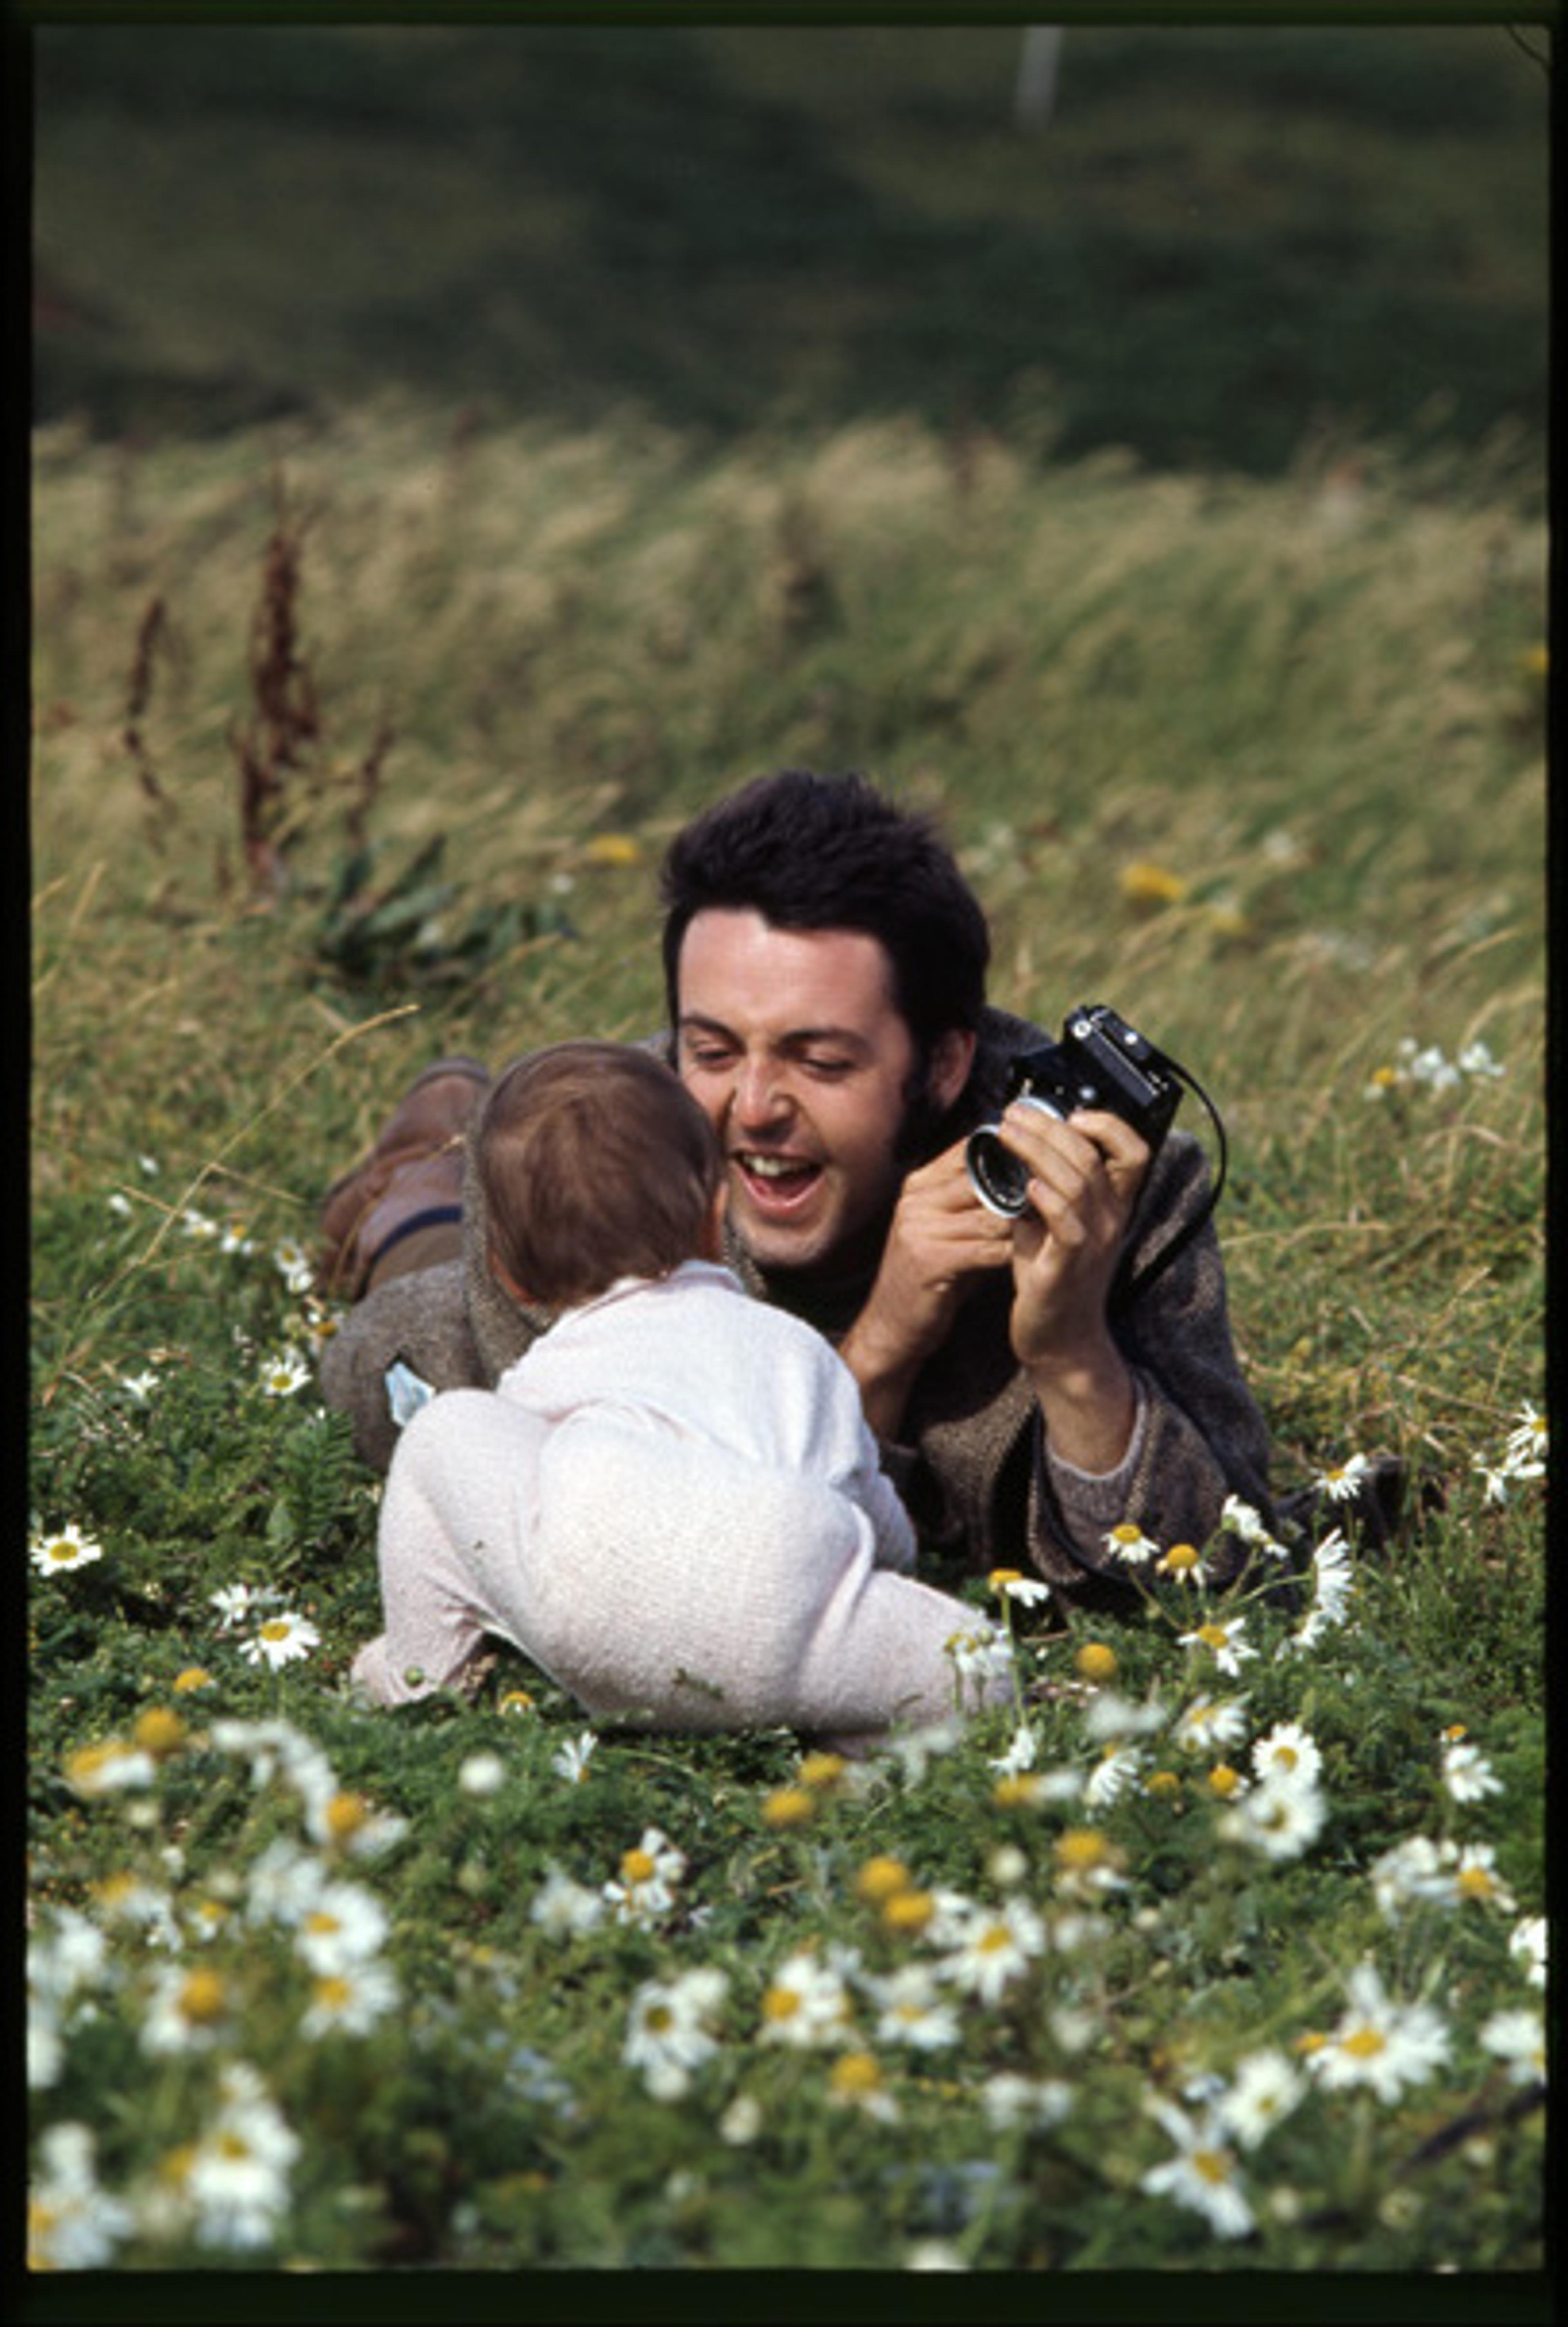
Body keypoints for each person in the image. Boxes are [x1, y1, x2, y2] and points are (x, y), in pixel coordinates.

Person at [319, 768, 1276, 1611]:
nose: (755, 1108)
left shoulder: (1113, 1186)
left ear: (945, 1065)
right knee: (416, 1299)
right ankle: (416, 1179)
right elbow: (684, 1569)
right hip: (463, 1294)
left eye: (819, 1060)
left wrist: (1073, 1352)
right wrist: (887, 1342)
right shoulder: (616, 1164)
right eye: (712, 1050)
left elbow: (1235, 1563)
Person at [349, 1040, 1011, 1739]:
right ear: (713, 1219)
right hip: (790, 1619)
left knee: (446, 1432)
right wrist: (885, 1575)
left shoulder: (552, 1368)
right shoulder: (798, 1351)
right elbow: (872, 1509)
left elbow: (505, 1497)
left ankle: (420, 1674)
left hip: (588, 1622)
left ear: (506, 1275)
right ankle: (860, 1736)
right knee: (977, 1665)